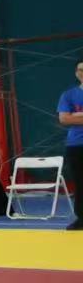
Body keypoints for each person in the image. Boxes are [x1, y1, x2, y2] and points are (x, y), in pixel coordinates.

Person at [60, 60, 83, 231]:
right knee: (80, 183)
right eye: (81, 70)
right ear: (76, 73)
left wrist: (77, 115)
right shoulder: (68, 95)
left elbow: (71, 117)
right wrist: (71, 117)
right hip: (76, 145)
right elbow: (64, 119)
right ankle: (81, 218)